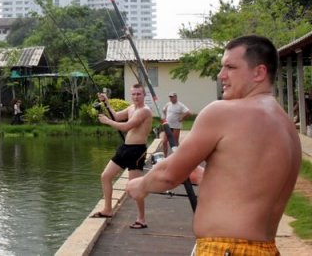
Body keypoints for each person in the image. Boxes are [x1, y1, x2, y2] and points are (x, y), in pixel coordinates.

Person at [126, 35, 302, 255]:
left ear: (259, 72)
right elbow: (254, 183)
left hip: (225, 249)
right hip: (266, 249)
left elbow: (168, 174)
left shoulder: (223, 111)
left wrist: (140, 186)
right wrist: (205, 176)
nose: (221, 75)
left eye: (230, 67)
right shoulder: (287, 127)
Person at [89, 83, 153, 230]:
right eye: (134, 94)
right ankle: (107, 209)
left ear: (144, 95)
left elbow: (125, 126)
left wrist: (107, 121)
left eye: (139, 94)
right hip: (125, 148)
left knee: (134, 187)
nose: (136, 97)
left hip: (137, 151)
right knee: (105, 176)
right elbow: (117, 117)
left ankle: (142, 219)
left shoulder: (144, 111)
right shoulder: (131, 108)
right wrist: (107, 103)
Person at [160, 92, 191, 156]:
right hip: (168, 126)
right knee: (164, 141)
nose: (171, 98)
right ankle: (165, 156)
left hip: (176, 126)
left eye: (172, 97)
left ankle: (177, 156)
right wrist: (164, 118)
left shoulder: (180, 105)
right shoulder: (168, 104)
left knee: (175, 142)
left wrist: (182, 118)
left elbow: (188, 112)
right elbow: (163, 110)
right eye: (170, 97)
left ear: (176, 97)